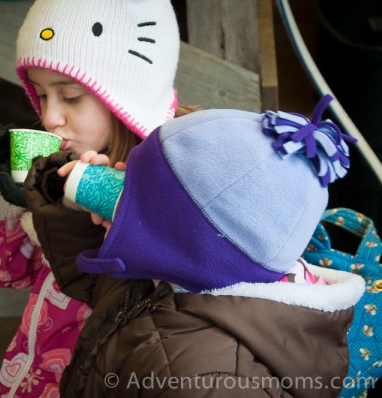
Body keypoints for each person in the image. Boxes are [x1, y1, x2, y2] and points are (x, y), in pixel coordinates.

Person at [24, 95, 366, 397]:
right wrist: (70, 207)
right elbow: (101, 290)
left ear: (188, 239)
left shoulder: (206, 380)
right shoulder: (174, 273)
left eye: (139, 191)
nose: (120, 176)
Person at [0, 0, 191, 396]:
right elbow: (10, 273)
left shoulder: (175, 181)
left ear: (127, 94)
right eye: (42, 96)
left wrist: (69, 216)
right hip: (32, 375)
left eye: (71, 97)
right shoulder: (58, 165)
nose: (49, 118)